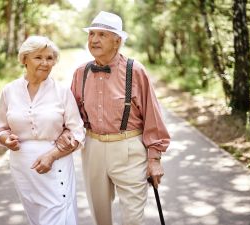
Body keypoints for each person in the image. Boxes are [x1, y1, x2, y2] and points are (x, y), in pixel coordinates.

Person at [56, 11, 171, 225]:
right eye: (91, 34)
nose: (94, 40)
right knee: (101, 218)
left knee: (133, 219)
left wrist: (154, 159)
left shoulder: (135, 71)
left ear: (117, 41)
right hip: (93, 150)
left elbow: (153, 117)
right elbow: (72, 116)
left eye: (101, 34)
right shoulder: (80, 73)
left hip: (129, 150)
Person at [0, 35, 85, 225]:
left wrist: (52, 155)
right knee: (36, 218)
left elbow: (78, 132)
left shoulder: (62, 92)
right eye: (38, 57)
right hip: (22, 168)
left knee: (57, 215)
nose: (45, 63)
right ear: (24, 59)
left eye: (50, 58)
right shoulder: (9, 91)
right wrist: (5, 139)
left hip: (55, 163)